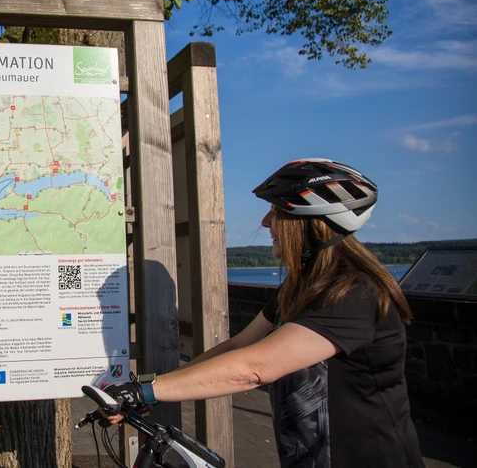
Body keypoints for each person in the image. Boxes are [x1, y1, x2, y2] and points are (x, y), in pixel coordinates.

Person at [101, 158, 423, 468]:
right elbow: (240, 346)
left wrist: (143, 392)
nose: (265, 222)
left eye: (275, 211)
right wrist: (150, 388)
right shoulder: (301, 287)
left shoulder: (354, 294)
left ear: (310, 225)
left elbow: (253, 368)